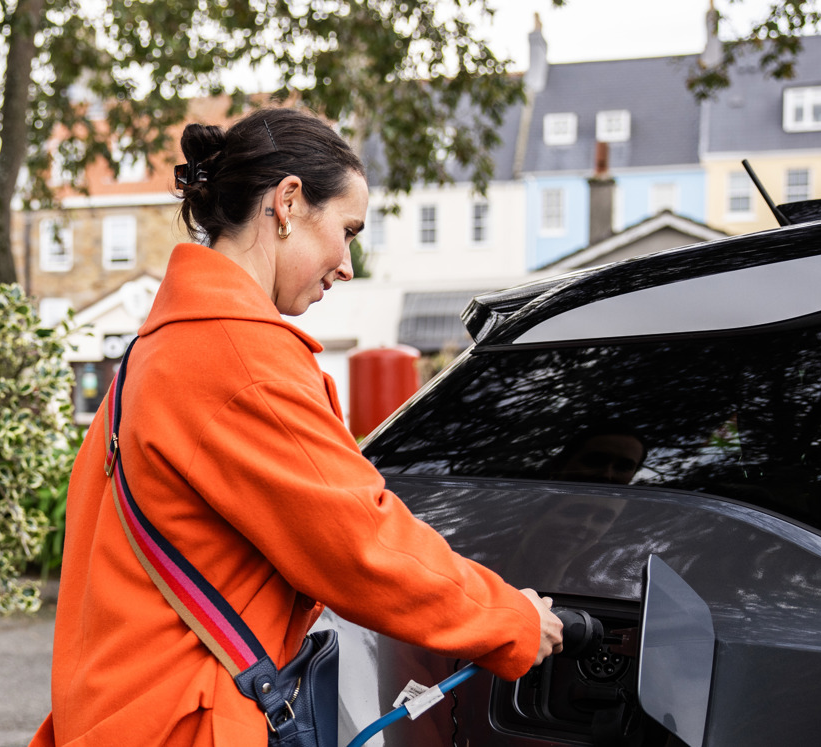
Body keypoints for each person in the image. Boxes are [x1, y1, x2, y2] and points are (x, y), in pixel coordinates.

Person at [29, 107, 563, 747]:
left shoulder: (153, 353)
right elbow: (360, 545)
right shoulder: (240, 358)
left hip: (119, 715)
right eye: (348, 229)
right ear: (286, 204)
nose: (347, 265)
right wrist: (511, 618)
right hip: (186, 724)